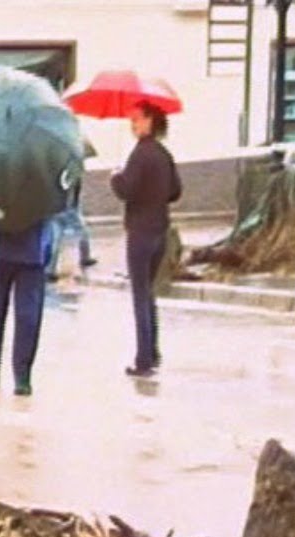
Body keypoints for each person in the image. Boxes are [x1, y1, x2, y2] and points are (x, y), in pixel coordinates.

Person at [111, 101, 182, 378]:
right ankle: (153, 351)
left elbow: (126, 189)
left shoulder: (140, 154)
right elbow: (176, 191)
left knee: (140, 295)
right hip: (160, 230)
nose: (133, 125)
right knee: (148, 292)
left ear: (151, 120)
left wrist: (115, 178)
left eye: (137, 120)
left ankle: (144, 359)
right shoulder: (164, 154)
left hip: (140, 232)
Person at [0, 211, 56, 397]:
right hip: (33, 254)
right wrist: (46, 256)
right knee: (28, 317)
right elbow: (50, 222)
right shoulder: (44, 186)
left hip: (0, 253)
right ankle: (22, 379)